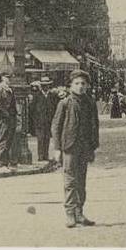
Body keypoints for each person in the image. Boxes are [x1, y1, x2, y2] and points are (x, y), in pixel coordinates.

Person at [51, 69, 100, 228]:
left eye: (83, 84)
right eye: (77, 83)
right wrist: (57, 148)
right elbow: (56, 126)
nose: (80, 87)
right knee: (70, 181)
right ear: (71, 85)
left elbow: (94, 126)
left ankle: (80, 213)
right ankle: (70, 214)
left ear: (87, 86)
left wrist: (93, 147)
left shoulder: (90, 103)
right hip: (69, 147)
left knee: (81, 181)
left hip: (84, 147)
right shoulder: (65, 103)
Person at [0, 73, 17, 170]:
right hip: (2, 119)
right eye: (8, 78)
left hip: (10, 119)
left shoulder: (9, 89)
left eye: (11, 77)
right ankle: (2, 163)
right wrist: (6, 114)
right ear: (3, 78)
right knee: (3, 140)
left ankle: (6, 162)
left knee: (8, 141)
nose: (10, 80)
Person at [29, 79, 54, 162]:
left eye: (47, 85)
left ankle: (46, 155)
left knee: (47, 138)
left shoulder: (52, 95)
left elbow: (54, 108)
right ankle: (40, 156)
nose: (45, 87)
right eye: (43, 85)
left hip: (49, 121)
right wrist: (35, 120)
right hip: (39, 121)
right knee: (40, 139)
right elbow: (32, 109)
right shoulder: (37, 96)